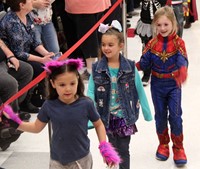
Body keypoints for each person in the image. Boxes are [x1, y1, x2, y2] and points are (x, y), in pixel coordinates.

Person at [2, 59, 121, 169]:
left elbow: (99, 125)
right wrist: (14, 122)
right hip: (57, 162)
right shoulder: (49, 105)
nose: (68, 89)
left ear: (78, 81)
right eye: (62, 85)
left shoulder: (86, 104)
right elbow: (36, 127)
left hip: (81, 160)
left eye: (72, 83)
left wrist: (104, 147)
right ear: (53, 84)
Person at [87, 20, 152, 169]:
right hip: (105, 116)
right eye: (103, 45)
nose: (106, 48)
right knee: (110, 149)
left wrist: (147, 113)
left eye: (110, 45)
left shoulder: (129, 66)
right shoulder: (97, 68)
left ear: (121, 45)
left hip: (124, 116)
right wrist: (91, 117)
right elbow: (90, 92)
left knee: (123, 149)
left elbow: (139, 89)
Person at [136, 6, 188, 166]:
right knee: (160, 115)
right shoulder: (151, 44)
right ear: (154, 26)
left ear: (173, 24)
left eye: (166, 24)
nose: (162, 28)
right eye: (159, 25)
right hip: (157, 85)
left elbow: (182, 59)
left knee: (175, 115)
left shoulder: (179, 43)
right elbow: (144, 62)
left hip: (173, 85)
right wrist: (132, 66)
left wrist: (182, 69)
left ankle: (178, 147)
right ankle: (163, 144)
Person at [0, 0, 55, 111]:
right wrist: (41, 59)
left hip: (25, 50)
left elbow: (34, 42)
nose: (32, 1)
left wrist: (46, 54)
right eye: (29, 0)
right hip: (12, 56)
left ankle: (34, 95)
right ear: (22, 5)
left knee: (47, 63)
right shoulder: (12, 22)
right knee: (38, 68)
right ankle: (24, 101)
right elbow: (18, 52)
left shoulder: (27, 16)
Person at [61, 0, 111, 80]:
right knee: (94, 36)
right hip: (90, 6)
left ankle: (91, 70)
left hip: (83, 6)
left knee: (89, 37)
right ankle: (94, 67)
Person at [0, 39, 33, 151]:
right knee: (9, 84)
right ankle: (8, 122)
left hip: (2, 62)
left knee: (26, 70)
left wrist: (10, 56)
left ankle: (12, 112)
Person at [135, 0, 168, 86]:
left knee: (162, 47)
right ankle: (146, 73)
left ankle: (161, 72)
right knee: (146, 48)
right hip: (146, 23)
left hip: (160, 22)